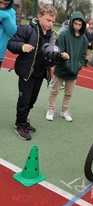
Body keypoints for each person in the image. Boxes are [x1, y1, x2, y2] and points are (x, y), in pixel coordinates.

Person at [7, 4, 60, 140]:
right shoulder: (27, 29)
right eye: (48, 20)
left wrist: (61, 55)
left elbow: (54, 53)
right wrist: (22, 46)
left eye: (53, 21)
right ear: (39, 16)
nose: (51, 24)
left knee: (32, 100)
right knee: (24, 100)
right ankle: (20, 124)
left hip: (41, 73)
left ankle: (24, 121)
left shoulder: (53, 36)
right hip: (27, 72)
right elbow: (12, 44)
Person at [45, 11, 88, 122]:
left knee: (69, 93)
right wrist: (67, 62)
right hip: (62, 68)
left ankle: (64, 111)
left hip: (74, 71)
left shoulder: (84, 39)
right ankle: (50, 109)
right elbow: (60, 51)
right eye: (75, 23)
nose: (77, 26)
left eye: (80, 24)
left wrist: (77, 66)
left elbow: (83, 56)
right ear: (71, 22)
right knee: (55, 91)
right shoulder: (64, 34)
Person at [0, 0, 17, 69]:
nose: (2, 6)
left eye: (6, 4)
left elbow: (13, 34)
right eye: (0, 2)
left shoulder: (11, 12)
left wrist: (6, 17)